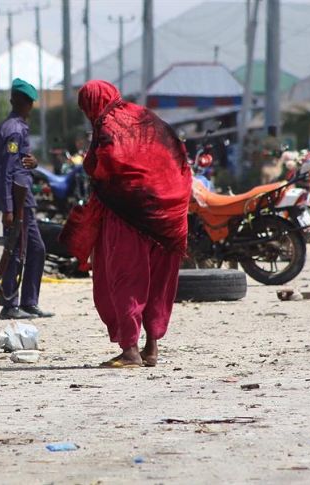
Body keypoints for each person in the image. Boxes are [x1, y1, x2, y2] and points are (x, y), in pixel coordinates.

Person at [60, 80, 192, 368]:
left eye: (86, 108)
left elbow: (104, 164)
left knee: (125, 279)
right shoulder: (145, 116)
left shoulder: (106, 124)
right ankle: (151, 348)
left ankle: (130, 350)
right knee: (159, 281)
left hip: (127, 214)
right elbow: (177, 153)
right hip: (168, 215)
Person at [0, 78, 54, 320]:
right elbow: (6, 171)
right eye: (26, 101)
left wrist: (34, 164)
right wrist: (8, 208)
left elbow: (20, 165)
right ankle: (10, 305)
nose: (29, 106)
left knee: (36, 250)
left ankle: (28, 302)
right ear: (15, 101)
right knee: (15, 251)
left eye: (31, 102)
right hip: (16, 203)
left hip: (24, 200)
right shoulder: (14, 130)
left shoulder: (18, 128)